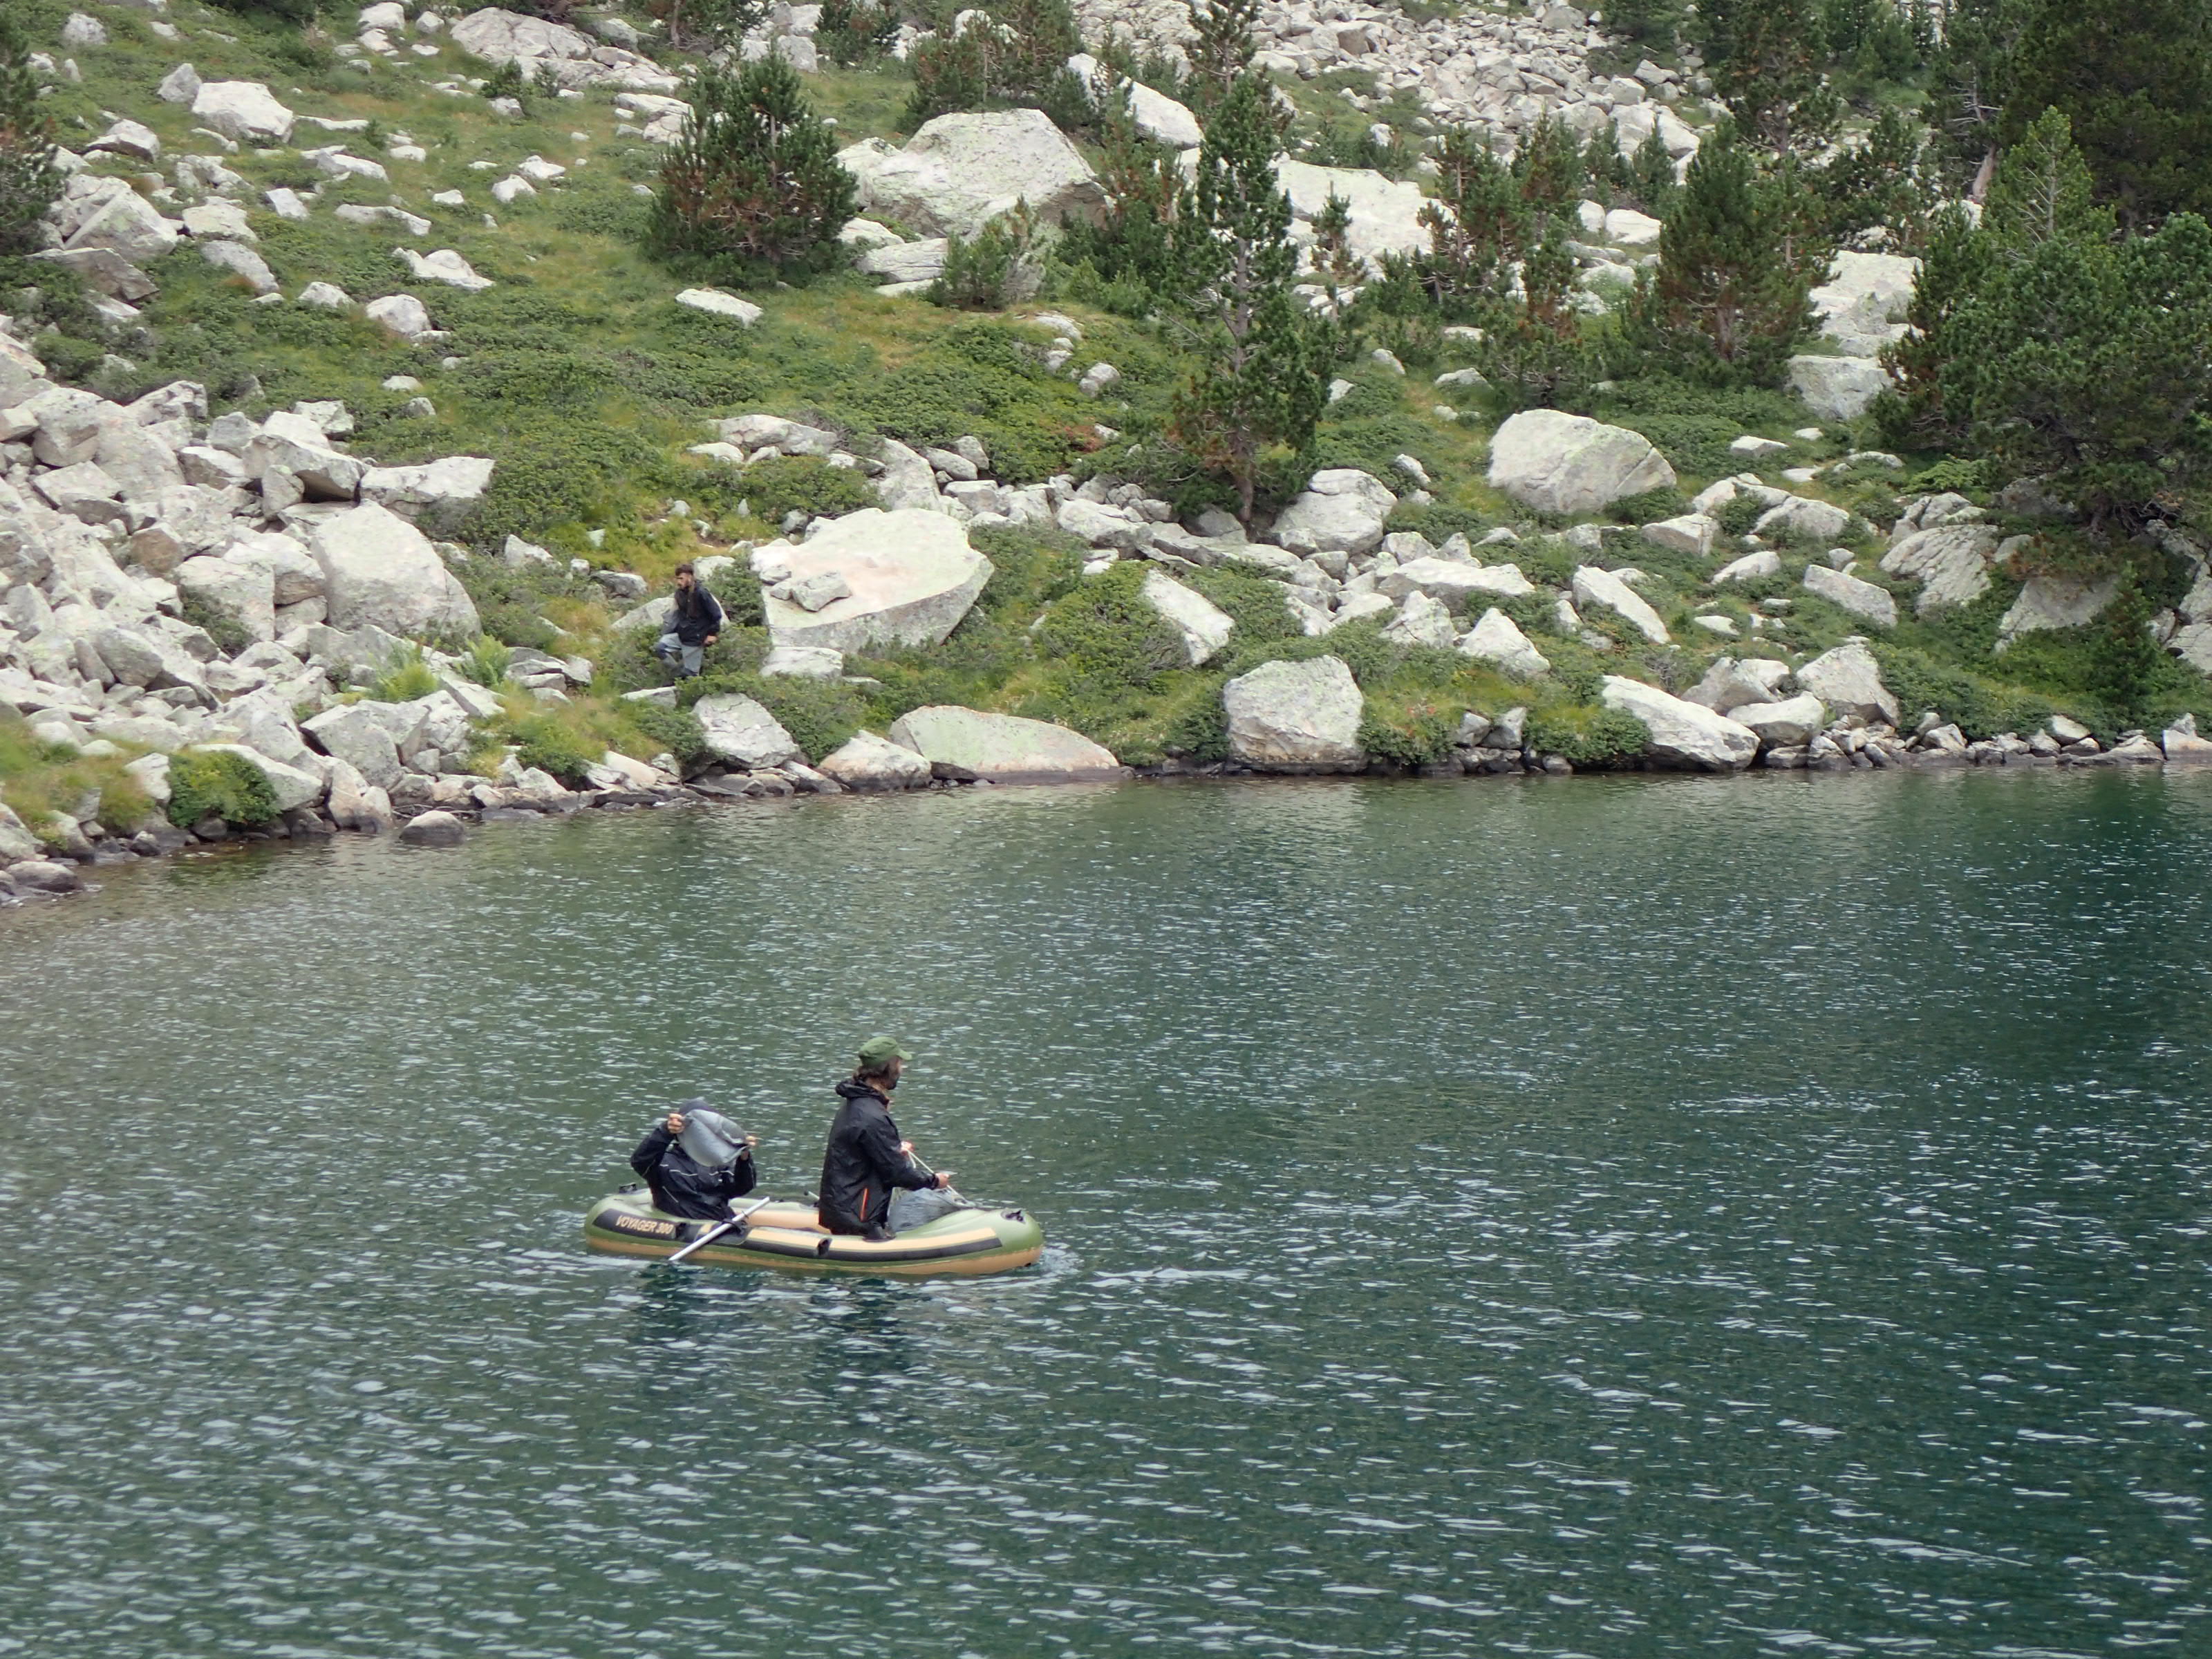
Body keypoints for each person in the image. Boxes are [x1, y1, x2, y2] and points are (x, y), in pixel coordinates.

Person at [817, 1038, 953, 1240]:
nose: (902, 1069)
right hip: (858, 1219)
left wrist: (894, 1147)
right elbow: (897, 1174)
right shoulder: (873, 1116)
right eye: (899, 1063)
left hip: (843, 1210)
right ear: (887, 1068)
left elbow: (866, 1150)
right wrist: (935, 1181)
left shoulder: (856, 1104)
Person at [630, 1099, 758, 1221]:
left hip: (722, 1223)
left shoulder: (720, 1162)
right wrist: (665, 1130)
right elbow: (640, 1161)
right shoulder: (663, 1162)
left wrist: (744, 1157)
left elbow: (742, 1188)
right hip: (686, 1225)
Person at [653, 562, 722, 682]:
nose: (678, 582)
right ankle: (677, 672)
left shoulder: (701, 593)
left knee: (691, 675)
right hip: (681, 635)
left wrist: (712, 634)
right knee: (660, 648)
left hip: (695, 639)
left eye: (681, 578)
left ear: (690, 577)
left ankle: (689, 691)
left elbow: (716, 614)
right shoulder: (679, 594)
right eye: (677, 578)